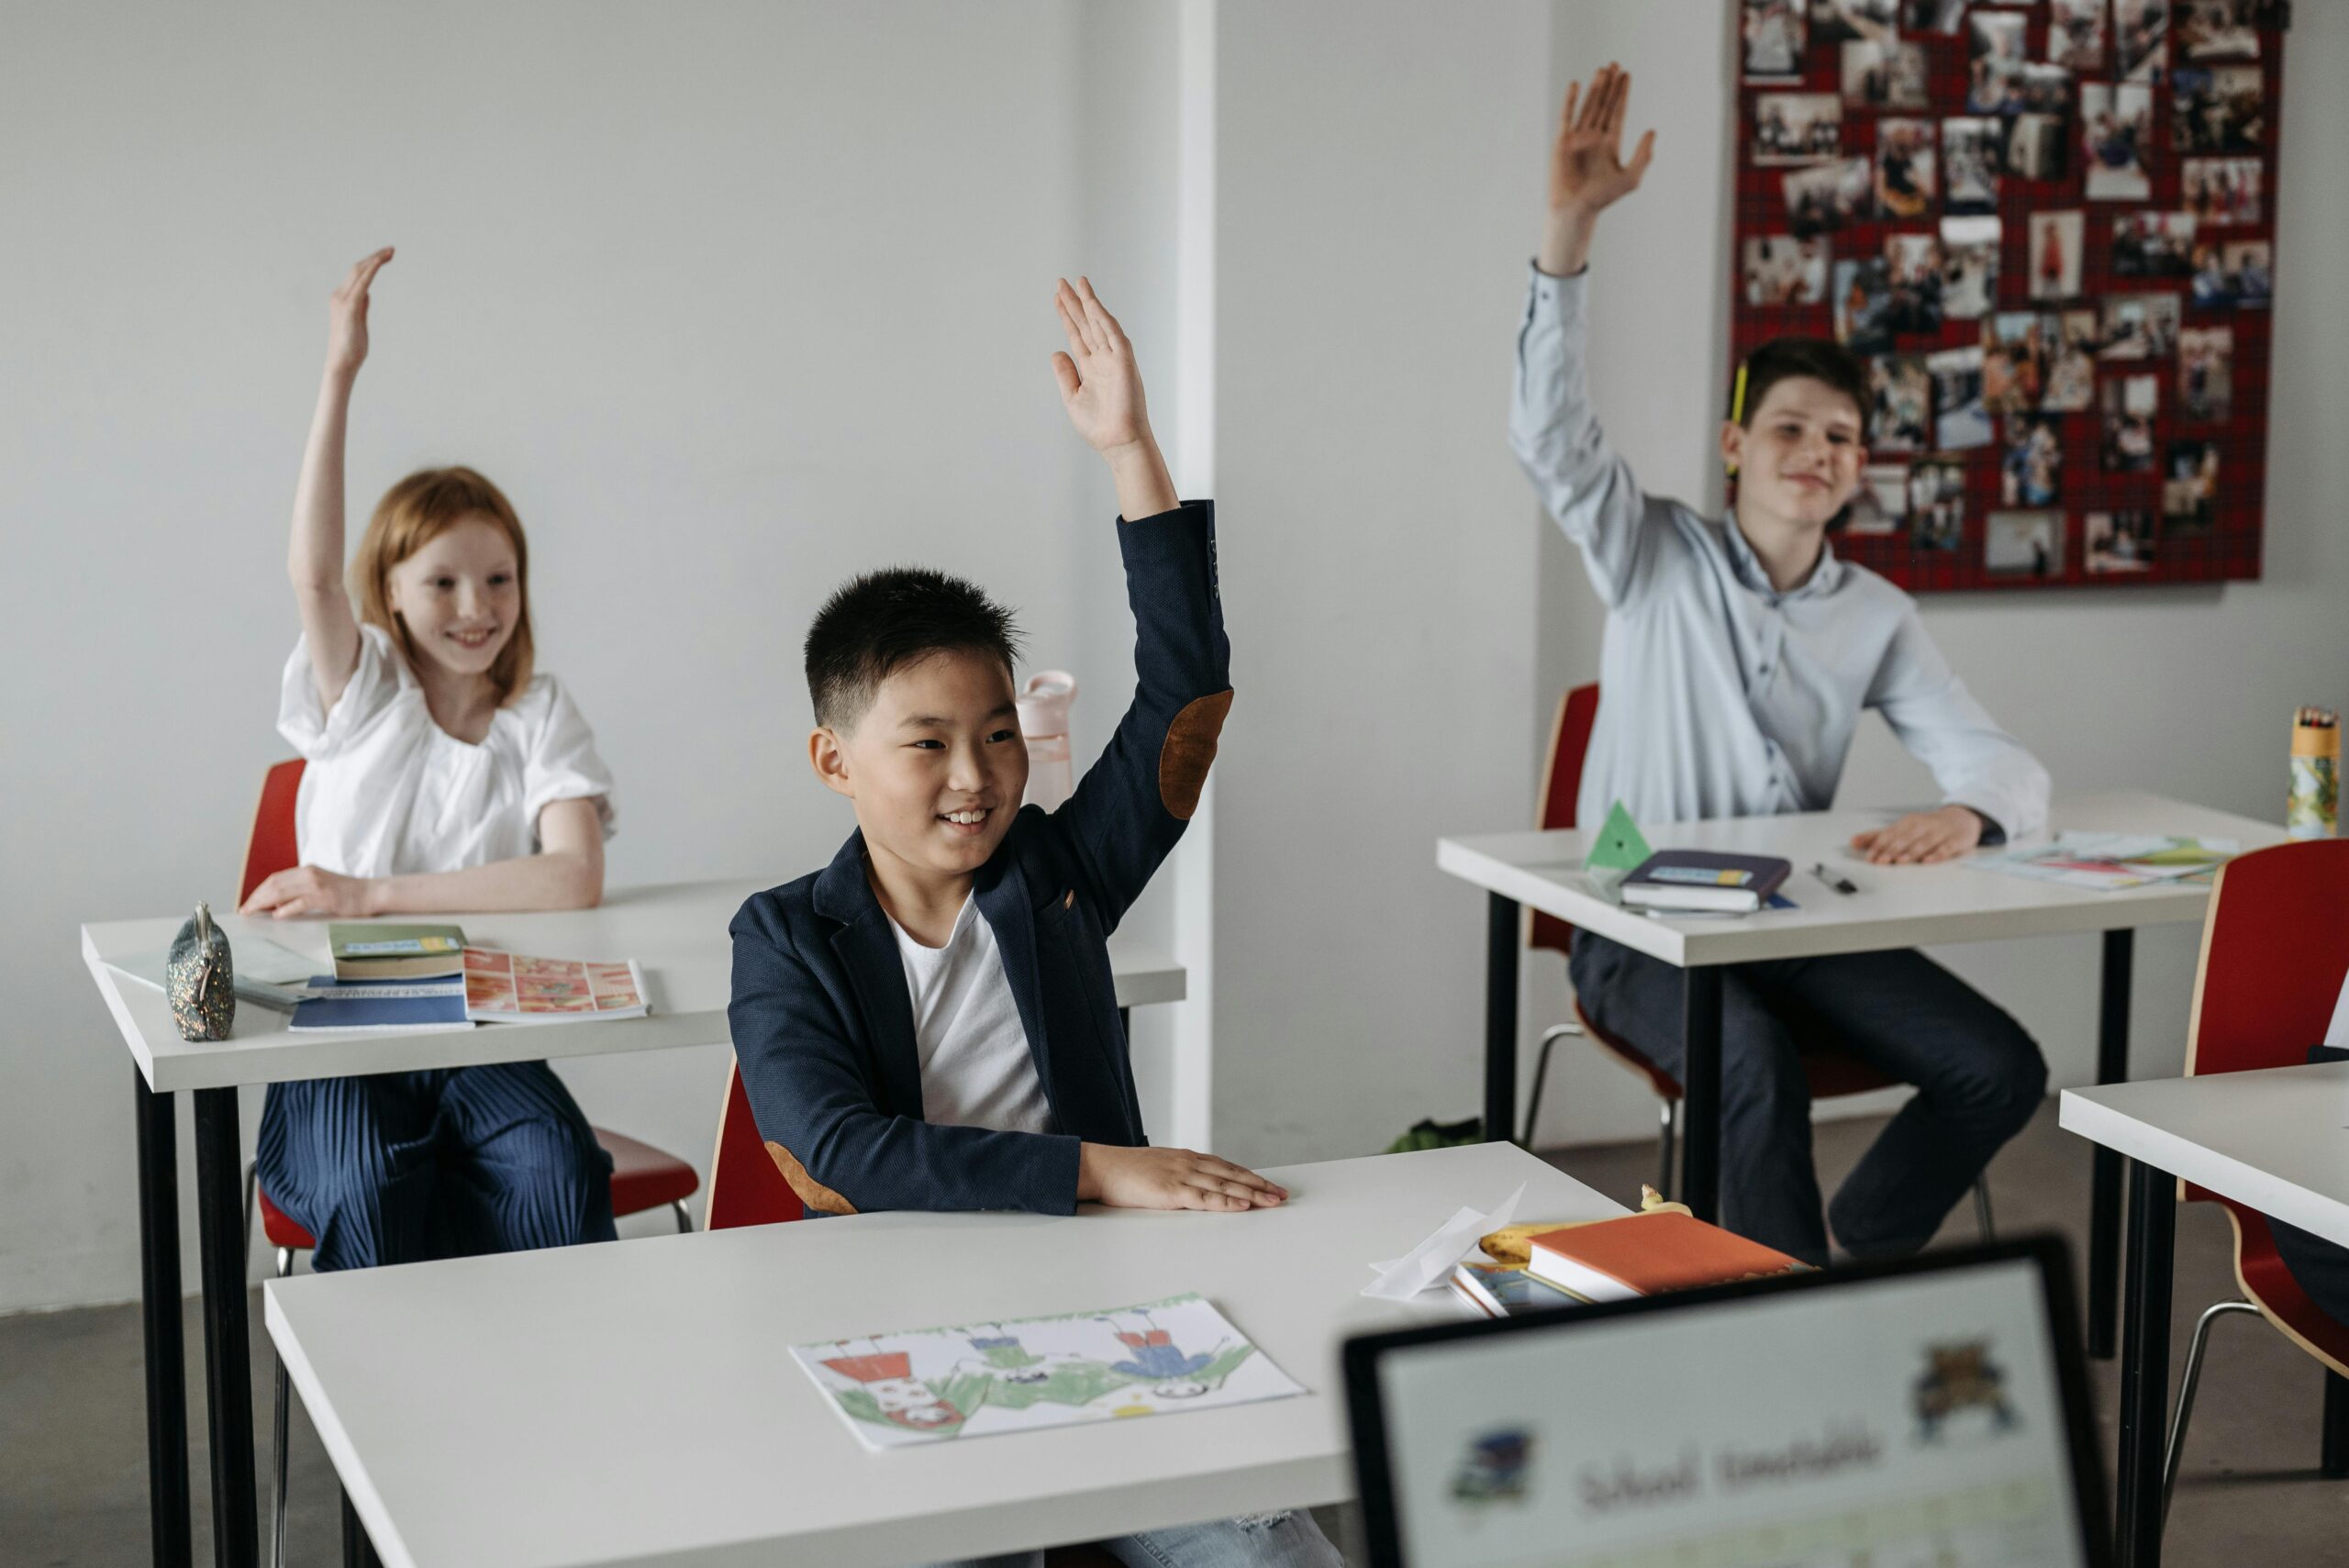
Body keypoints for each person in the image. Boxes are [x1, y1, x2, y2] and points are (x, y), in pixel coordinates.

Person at [728, 277, 1341, 1568]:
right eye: (930, 744)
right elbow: (839, 1151)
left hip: (1109, 1316)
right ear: (833, 760)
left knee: (1274, 1552)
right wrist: (1105, 1171)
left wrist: (1131, 453)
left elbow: (1188, 696)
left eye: (1000, 734)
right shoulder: (782, 937)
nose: (977, 775)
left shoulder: (1057, 874)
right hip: (904, 1332)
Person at [1510, 67, 2052, 1266]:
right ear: (1735, 445)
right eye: (1791, 428)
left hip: (1787, 916)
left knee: (2000, 1067)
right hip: (1631, 910)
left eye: (1842, 437)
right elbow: (1551, 437)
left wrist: (1971, 810)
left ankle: (1861, 1241)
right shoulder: (1650, 550)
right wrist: (1571, 228)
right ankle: (1787, 1307)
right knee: (1747, 1061)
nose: (1816, 452)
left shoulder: (1875, 612)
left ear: (1863, 466)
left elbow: (1998, 759)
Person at [244, 249, 618, 1270]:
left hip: (476, 1023)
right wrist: (340, 373)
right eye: (443, 580)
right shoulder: (362, 687)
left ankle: (543, 1404)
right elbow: (311, 574)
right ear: (393, 588)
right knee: (367, 1183)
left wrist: (367, 895)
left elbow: (573, 875)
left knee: (556, 1169)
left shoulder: (538, 712)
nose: (475, 607)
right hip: (341, 1030)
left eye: (498, 579)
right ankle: (392, 1415)